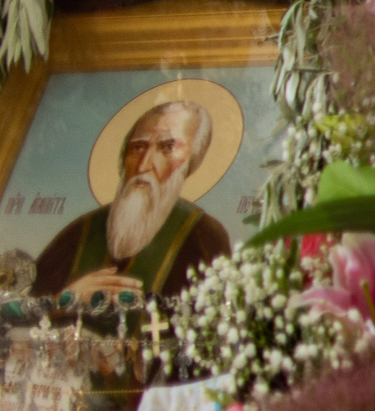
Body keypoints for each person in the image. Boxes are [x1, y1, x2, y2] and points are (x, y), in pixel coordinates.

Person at [34, 100, 231, 301]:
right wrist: (65, 299)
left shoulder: (204, 236)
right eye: (137, 148)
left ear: (191, 160)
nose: (143, 165)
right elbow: (25, 307)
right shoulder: (83, 231)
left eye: (168, 147)